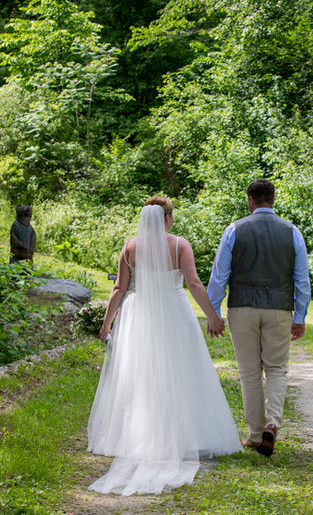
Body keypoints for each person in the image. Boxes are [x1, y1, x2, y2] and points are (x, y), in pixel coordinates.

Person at [88, 196, 241, 495]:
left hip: (138, 315)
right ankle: (184, 436)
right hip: (174, 312)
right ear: (167, 218)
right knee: (182, 373)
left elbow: (119, 288)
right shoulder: (180, 245)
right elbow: (193, 283)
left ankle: (137, 436)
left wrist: (106, 324)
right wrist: (213, 317)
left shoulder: (130, 247)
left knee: (139, 376)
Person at [207, 179, 311, 457]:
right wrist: (300, 316)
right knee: (276, 368)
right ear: (273, 199)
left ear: (250, 200)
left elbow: (219, 275)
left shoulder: (234, 230)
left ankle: (255, 435)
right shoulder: (292, 232)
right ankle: (272, 424)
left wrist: (213, 312)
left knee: (249, 372)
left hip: (242, 308)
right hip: (279, 309)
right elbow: (301, 279)